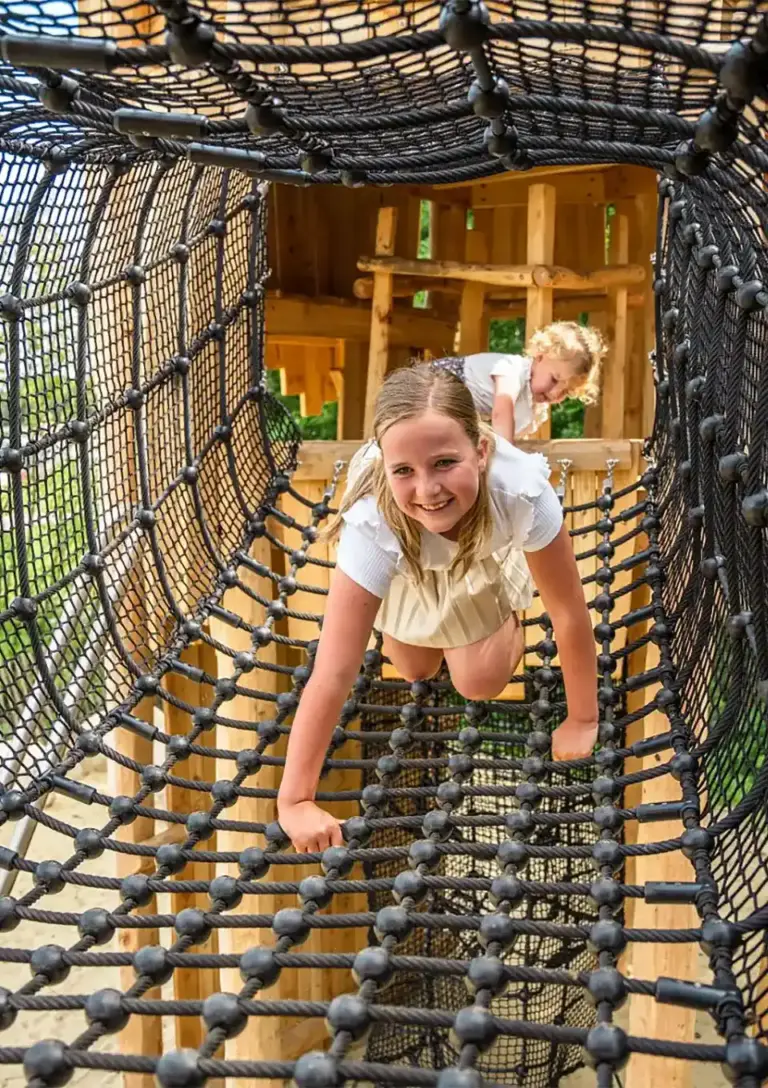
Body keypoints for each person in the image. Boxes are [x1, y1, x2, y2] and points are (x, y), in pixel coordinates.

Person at [277, 363, 598, 853]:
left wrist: (582, 718)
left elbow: (569, 613)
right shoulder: (373, 520)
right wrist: (295, 800)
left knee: (480, 681)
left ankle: (500, 617)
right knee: (414, 669)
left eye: (445, 463)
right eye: (404, 470)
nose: (428, 489)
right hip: (408, 559)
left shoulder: (518, 491)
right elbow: (334, 671)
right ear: (386, 467)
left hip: (481, 554)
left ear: (482, 451)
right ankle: (412, 615)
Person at [432, 321, 605, 444]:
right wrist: (507, 458)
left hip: (453, 414)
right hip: (437, 385)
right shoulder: (513, 371)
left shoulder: (533, 411)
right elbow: (501, 414)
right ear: (540, 357)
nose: (555, 393)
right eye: (554, 379)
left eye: (565, 392)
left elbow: (510, 436)